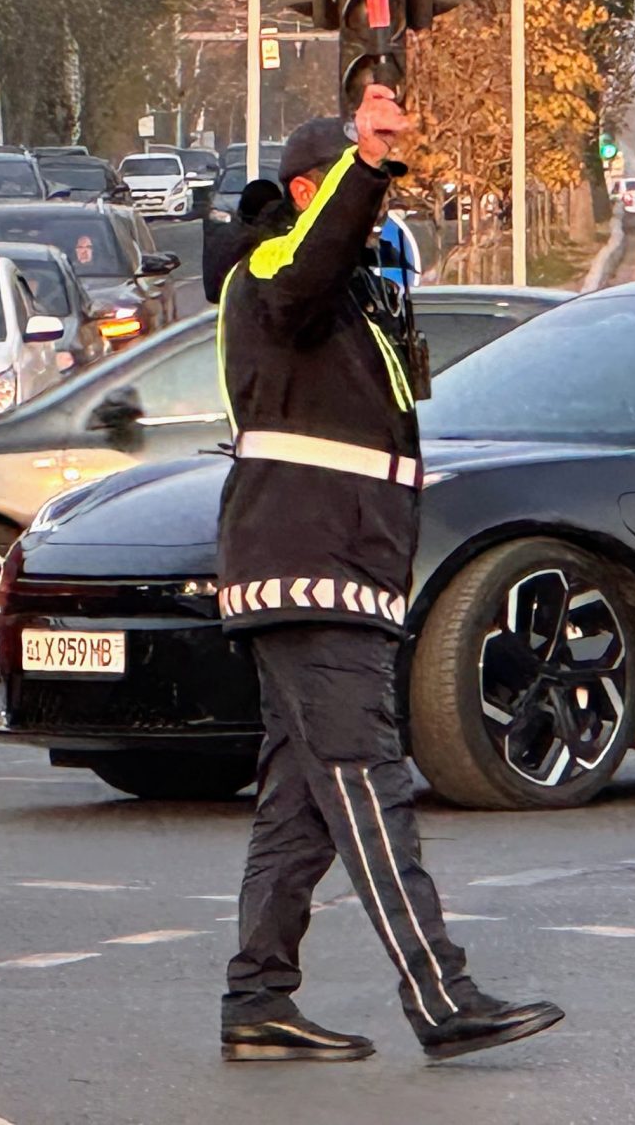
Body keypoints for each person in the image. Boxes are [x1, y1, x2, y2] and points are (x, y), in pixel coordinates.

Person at [213, 87, 561, 1065]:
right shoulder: (273, 266)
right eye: (347, 190)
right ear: (302, 191)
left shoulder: (347, 299)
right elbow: (307, 262)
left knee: (299, 806)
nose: (371, 212)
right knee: (368, 782)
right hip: (308, 568)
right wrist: (367, 168)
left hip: (336, 566)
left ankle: (258, 1000)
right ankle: (441, 995)